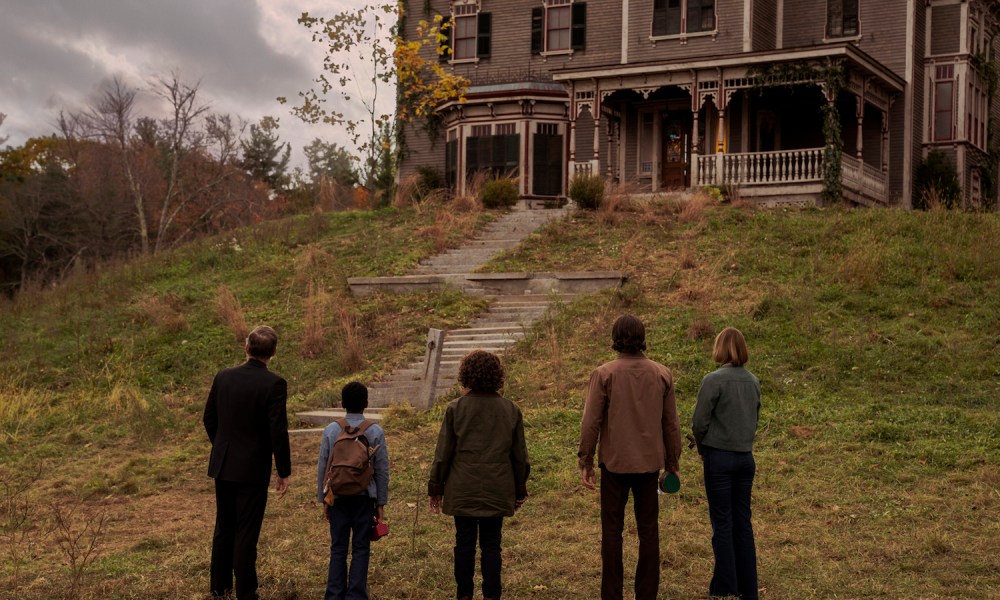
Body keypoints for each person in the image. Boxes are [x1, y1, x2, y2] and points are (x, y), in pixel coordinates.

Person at [578, 314, 682, 600]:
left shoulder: (604, 374)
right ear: (642, 337)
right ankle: (646, 594)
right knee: (649, 530)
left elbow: (590, 423)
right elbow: (671, 424)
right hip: (649, 465)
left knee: (612, 531)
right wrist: (672, 464)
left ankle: (612, 595)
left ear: (615, 339)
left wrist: (585, 460)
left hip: (614, 464)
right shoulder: (662, 373)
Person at [428, 350, 530, 600]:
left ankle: (464, 595)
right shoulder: (511, 410)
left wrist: (436, 487)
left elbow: (443, 454)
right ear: (497, 376)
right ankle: (492, 596)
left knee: (463, 542)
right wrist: (519, 489)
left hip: (462, 489)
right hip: (497, 487)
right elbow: (520, 457)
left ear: (466, 375)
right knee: (492, 543)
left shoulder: (455, 409)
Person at [204, 325, 291, 600]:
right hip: (253, 468)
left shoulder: (224, 377)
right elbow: (277, 430)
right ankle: (246, 591)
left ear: (246, 347)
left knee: (224, 527)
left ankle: (219, 588)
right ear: (273, 352)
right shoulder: (274, 384)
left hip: (224, 463)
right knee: (246, 530)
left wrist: (222, 446)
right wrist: (283, 470)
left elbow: (209, 418)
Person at [692, 327, 761, 600]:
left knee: (722, 523)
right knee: (743, 523)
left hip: (718, 458)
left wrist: (701, 448)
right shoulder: (753, 381)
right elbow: (754, 418)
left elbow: (699, 422)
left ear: (720, 348)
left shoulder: (713, 380)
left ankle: (724, 587)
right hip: (745, 458)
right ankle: (748, 588)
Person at [316, 381, 390, 600]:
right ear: (366, 404)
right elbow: (382, 471)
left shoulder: (331, 430)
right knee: (361, 547)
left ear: (343, 403)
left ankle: (334, 594)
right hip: (364, 498)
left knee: (338, 547)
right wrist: (380, 503)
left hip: (337, 497)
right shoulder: (375, 431)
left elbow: (323, 466)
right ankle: (356, 595)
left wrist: (324, 500)